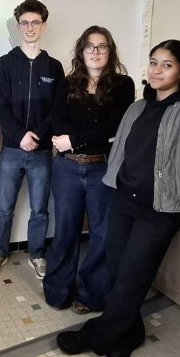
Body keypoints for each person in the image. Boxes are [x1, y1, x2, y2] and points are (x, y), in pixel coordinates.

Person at [56, 39, 180, 357]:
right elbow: (120, 152)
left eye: (167, 65)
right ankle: (130, 334)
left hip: (159, 209)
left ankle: (96, 335)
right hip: (124, 202)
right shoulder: (138, 107)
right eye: (153, 62)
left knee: (133, 277)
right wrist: (113, 186)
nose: (157, 70)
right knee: (117, 270)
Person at [44, 26, 135, 313]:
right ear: (81, 51)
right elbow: (57, 122)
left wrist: (73, 139)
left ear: (110, 51)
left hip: (103, 169)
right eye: (90, 46)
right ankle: (58, 291)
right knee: (65, 232)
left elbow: (115, 126)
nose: (95, 52)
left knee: (102, 235)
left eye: (102, 46)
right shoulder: (67, 84)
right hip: (67, 169)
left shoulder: (123, 85)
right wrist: (85, 137)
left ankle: (91, 295)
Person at [0, 0, 64, 279]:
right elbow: (1, 106)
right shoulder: (5, 64)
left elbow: (57, 110)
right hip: (11, 150)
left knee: (40, 209)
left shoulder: (54, 67)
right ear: (18, 26)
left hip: (41, 152)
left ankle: (37, 254)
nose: (30, 28)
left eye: (35, 22)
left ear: (44, 26)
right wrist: (20, 136)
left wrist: (37, 136)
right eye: (25, 23)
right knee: (4, 207)